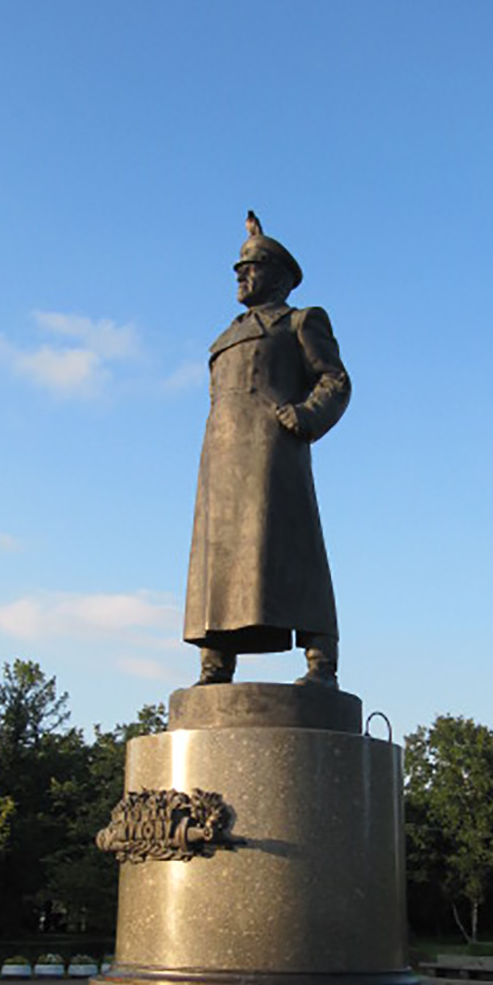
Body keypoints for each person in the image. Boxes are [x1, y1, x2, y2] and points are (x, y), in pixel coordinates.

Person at [183, 218, 351, 687]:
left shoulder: (301, 321)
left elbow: (335, 379)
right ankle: (215, 661)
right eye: (238, 267)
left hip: (272, 451)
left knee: (297, 550)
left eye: (251, 265)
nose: (240, 275)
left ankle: (321, 661)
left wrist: (307, 415)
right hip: (220, 461)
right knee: (217, 558)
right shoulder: (225, 336)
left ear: (278, 275)